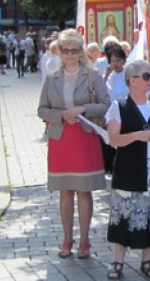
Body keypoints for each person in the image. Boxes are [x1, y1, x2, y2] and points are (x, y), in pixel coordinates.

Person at [37, 29, 110, 259]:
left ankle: (86, 240)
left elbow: (107, 105)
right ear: (59, 52)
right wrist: (60, 115)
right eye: (65, 50)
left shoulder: (93, 76)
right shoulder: (52, 78)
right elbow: (42, 109)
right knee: (65, 192)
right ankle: (67, 238)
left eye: (75, 50)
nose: (70, 54)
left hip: (84, 138)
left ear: (81, 52)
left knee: (84, 191)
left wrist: (82, 109)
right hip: (61, 139)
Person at [104, 60, 150, 280]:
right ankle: (118, 261)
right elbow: (113, 139)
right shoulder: (119, 106)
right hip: (129, 171)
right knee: (124, 215)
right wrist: (137, 135)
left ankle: (147, 259)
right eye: (146, 76)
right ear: (132, 80)